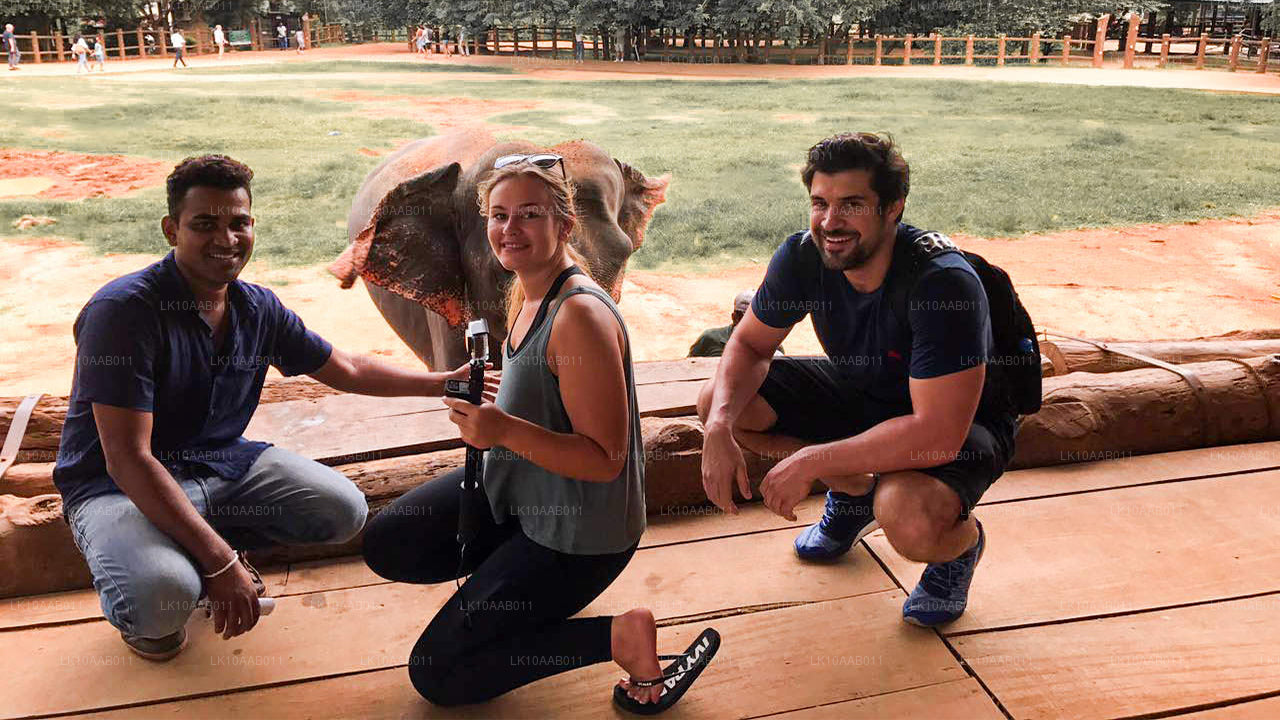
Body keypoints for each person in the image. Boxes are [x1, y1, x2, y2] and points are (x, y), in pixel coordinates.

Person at [53, 155, 472, 662]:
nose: (226, 239)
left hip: (219, 464)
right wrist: (220, 563)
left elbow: (348, 369)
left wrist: (444, 384)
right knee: (161, 602)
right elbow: (127, 459)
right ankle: (154, 597)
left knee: (342, 510)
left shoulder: (256, 307)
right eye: (204, 224)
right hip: (116, 485)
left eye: (239, 222)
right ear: (171, 230)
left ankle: (190, 540)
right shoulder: (123, 313)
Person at [361, 154, 718, 713]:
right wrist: (502, 395)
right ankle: (513, 595)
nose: (510, 229)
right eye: (498, 215)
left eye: (529, 214)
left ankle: (618, 636)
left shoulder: (579, 315)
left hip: (578, 537)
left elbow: (605, 460)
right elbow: (549, 385)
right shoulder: (529, 291)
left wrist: (501, 428)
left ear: (566, 226)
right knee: (389, 541)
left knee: (438, 674)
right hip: (527, 496)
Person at [698, 132, 1019, 628]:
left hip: (961, 423)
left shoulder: (941, 283)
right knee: (720, 399)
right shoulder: (804, 254)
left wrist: (811, 460)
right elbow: (748, 344)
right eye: (820, 203)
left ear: (893, 208)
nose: (830, 222)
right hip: (867, 390)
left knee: (907, 516)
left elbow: (936, 434)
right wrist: (718, 426)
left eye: (852, 205)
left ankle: (958, 548)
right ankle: (852, 495)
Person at [688, 290, 784, 358]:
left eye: (752, 317)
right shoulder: (709, 338)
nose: (747, 322)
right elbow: (689, 367)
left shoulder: (771, 344)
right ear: (734, 317)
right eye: (742, 316)